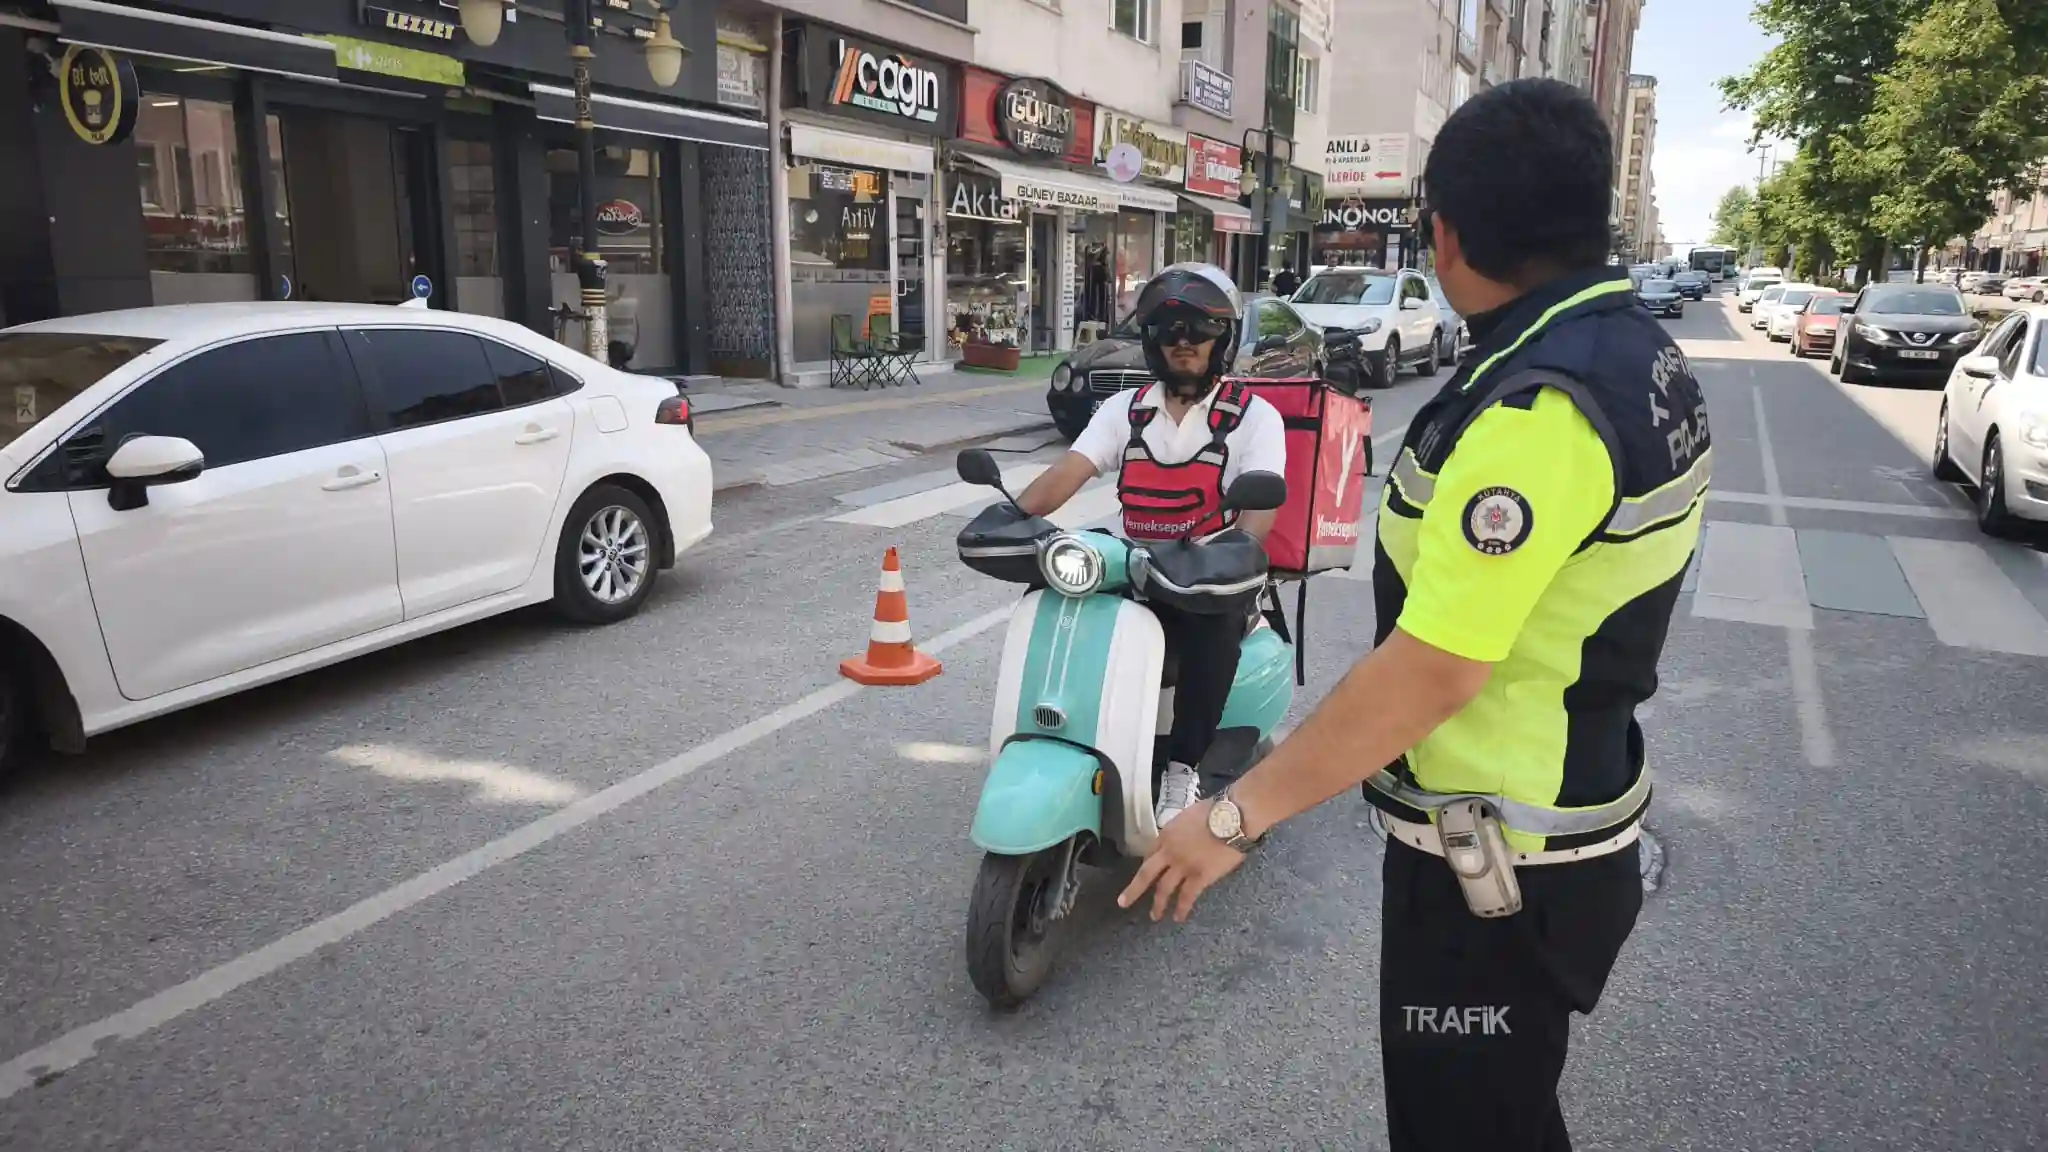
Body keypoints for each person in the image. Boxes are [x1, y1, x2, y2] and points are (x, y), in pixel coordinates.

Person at [1117, 78, 1711, 1151]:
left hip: (1500, 864)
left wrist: (1230, 817)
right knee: (1506, 1117)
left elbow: (1430, 668)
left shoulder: (1538, 407)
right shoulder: (1634, 351)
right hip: (1553, 828)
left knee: (1465, 1127)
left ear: (1441, 234)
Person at [1015, 263, 1288, 828]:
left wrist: (1231, 557)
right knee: (1053, 591)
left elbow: (1259, 514)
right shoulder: (1125, 410)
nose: (1183, 342)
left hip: (1209, 576)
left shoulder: (1254, 416)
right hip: (1137, 568)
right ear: (1151, 340)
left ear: (1225, 339)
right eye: (1168, 330)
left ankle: (1184, 770)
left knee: (1213, 624)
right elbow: (1069, 472)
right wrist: (1012, 515)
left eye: (1199, 329)